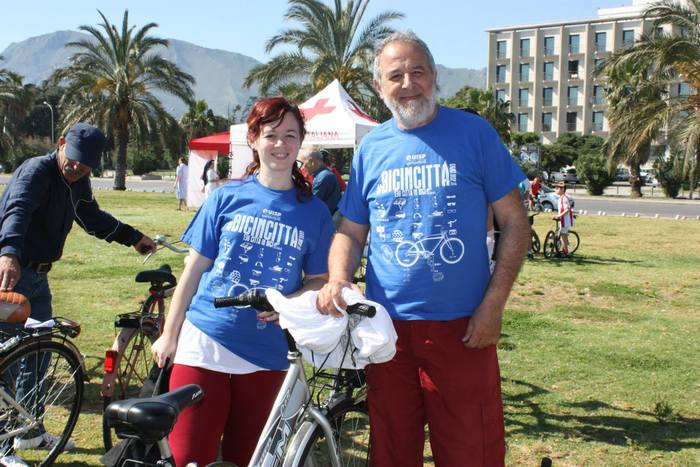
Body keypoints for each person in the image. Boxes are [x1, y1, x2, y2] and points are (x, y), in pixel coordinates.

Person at [317, 31, 529, 467]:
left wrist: (494, 305)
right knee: (393, 451)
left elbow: (515, 223)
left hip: (462, 327)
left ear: (434, 76)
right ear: (379, 86)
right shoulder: (372, 148)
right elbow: (351, 231)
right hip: (387, 331)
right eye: (395, 75)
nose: (408, 83)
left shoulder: (474, 133)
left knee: (471, 452)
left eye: (418, 71)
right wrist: (339, 277)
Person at [150, 97, 334, 467]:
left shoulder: (314, 212)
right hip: (205, 342)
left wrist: (288, 301)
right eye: (271, 134)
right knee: (189, 458)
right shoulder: (226, 197)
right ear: (253, 139)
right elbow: (193, 270)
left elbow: (319, 280)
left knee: (251, 458)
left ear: (300, 142)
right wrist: (169, 334)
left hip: (269, 354)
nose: (280, 144)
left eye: (290, 135)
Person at [0, 122, 156, 467]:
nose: (76, 169)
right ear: (60, 144)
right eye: (73, 161)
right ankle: (2, 447)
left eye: (85, 167)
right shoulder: (36, 172)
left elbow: (91, 217)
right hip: (12, 274)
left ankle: (31, 431)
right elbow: (17, 211)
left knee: (39, 355)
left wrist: (132, 237)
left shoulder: (77, 180)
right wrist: (8, 253)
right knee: (7, 360)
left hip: (38, 279)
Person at [297, 148, 342, 216]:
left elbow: (311, 205)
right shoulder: (324, 175)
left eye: (302, 164)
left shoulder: (323, 177)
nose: (302, 168)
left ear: (311, 162)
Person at [554, 181, 574, 257]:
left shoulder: (564, 198)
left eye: (558, 188)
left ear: (562, 189)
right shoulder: (561, 198)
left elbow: (567, 209)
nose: (556, 189)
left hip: (565, 220)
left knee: (563, 235)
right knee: (563, 235)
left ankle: (566, 253)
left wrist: (559, 215)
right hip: (563, 220)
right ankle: (563, 250)